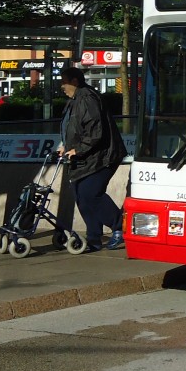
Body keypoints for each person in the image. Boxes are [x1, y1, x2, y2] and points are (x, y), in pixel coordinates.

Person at [58, 65, 128, 250]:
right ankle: (94, 238)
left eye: (64, 82)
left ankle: (120, 227)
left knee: (90, 193)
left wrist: (78, 149)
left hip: (103, 157)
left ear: (74, 81)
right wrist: (66, 145)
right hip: (86, 158)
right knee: (81, 196)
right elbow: (75, 128)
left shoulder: (87, 97)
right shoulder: (74, 100)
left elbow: (95, 131)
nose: (61, 86)